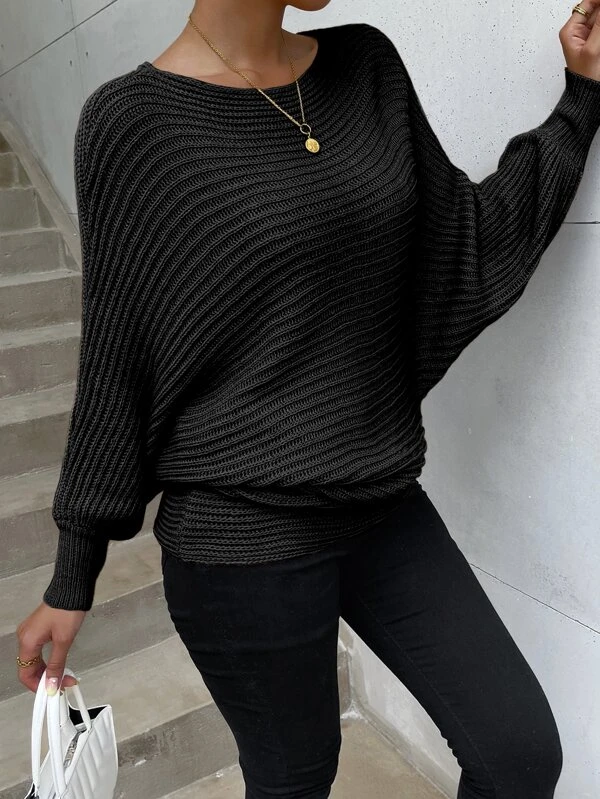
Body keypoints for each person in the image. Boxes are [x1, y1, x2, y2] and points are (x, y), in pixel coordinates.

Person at [15, 1, 600, 797]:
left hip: (379, 504)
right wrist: (73, 574)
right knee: (297, 777)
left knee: (518, 750)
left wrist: (581, 97)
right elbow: (118, 360)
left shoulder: (366, 67)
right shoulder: (132, 124)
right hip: (239, 542)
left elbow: (467, 241)